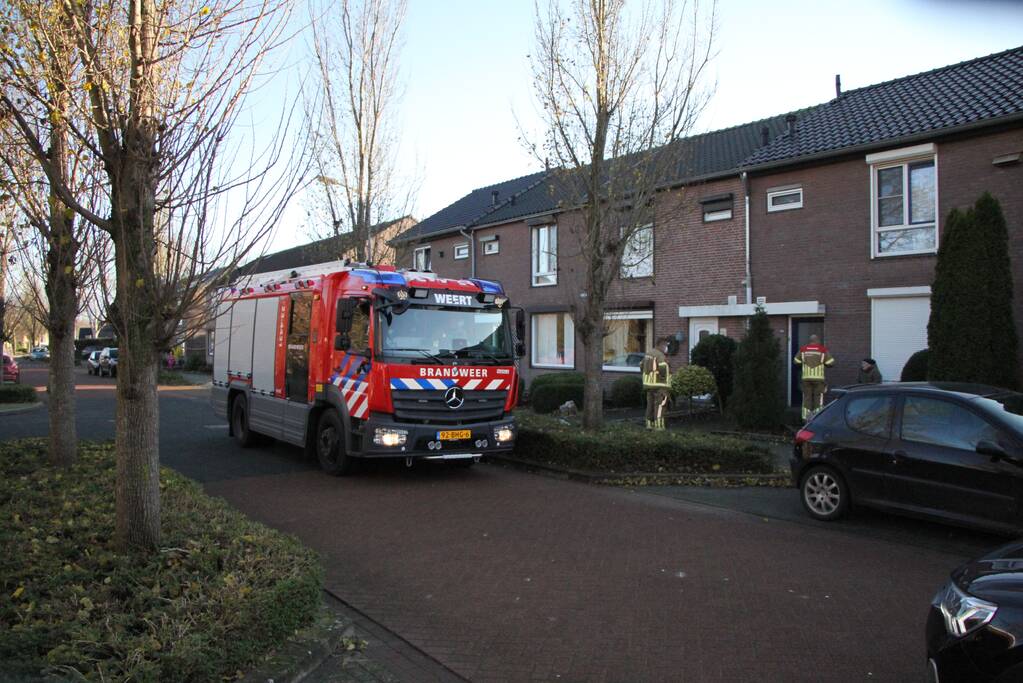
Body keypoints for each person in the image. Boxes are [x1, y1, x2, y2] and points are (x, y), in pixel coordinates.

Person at [793, 334, 834, 421]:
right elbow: (831, 363)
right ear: (817, 341)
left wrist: (804, 362)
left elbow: (796, 361)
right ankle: (817, 418)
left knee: (806, 398)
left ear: (810, 341)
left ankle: (805, 419)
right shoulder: (823, 350)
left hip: (806, 378)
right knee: (818, 399)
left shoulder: (803, 349)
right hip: (819, 379)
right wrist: (823, 363)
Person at [641, 337, 672, 430]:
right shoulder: (660, 355)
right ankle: (659, 426)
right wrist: (664, 378)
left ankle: (649, 424)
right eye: (666, 345)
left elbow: (641, 365)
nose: (666, 348)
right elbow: (663, 367)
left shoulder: (648, 354)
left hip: (648, 384)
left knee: (650, 405)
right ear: (661, 345)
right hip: (660, 385)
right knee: (660, 405)